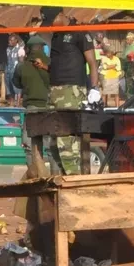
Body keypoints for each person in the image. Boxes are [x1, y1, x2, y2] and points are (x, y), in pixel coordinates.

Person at [41, 10, 99, 172]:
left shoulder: (80, 33)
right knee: (52, 139)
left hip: (72, 90)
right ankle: (63, 175)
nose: (50, 27)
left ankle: (73, 178)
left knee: (66, 139)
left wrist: (94, 88)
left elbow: (93, 63)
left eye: (51, 22)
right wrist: (44, 67)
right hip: (54, 90)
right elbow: (58, 65)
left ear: (60, 15)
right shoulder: (56, 36)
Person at [15, 32, 51, 108]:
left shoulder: (21, 66)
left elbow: (17, 84)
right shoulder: (50, 63)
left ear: (27, 49)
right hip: (49, 104)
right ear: (42, 48)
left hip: (30, 105)